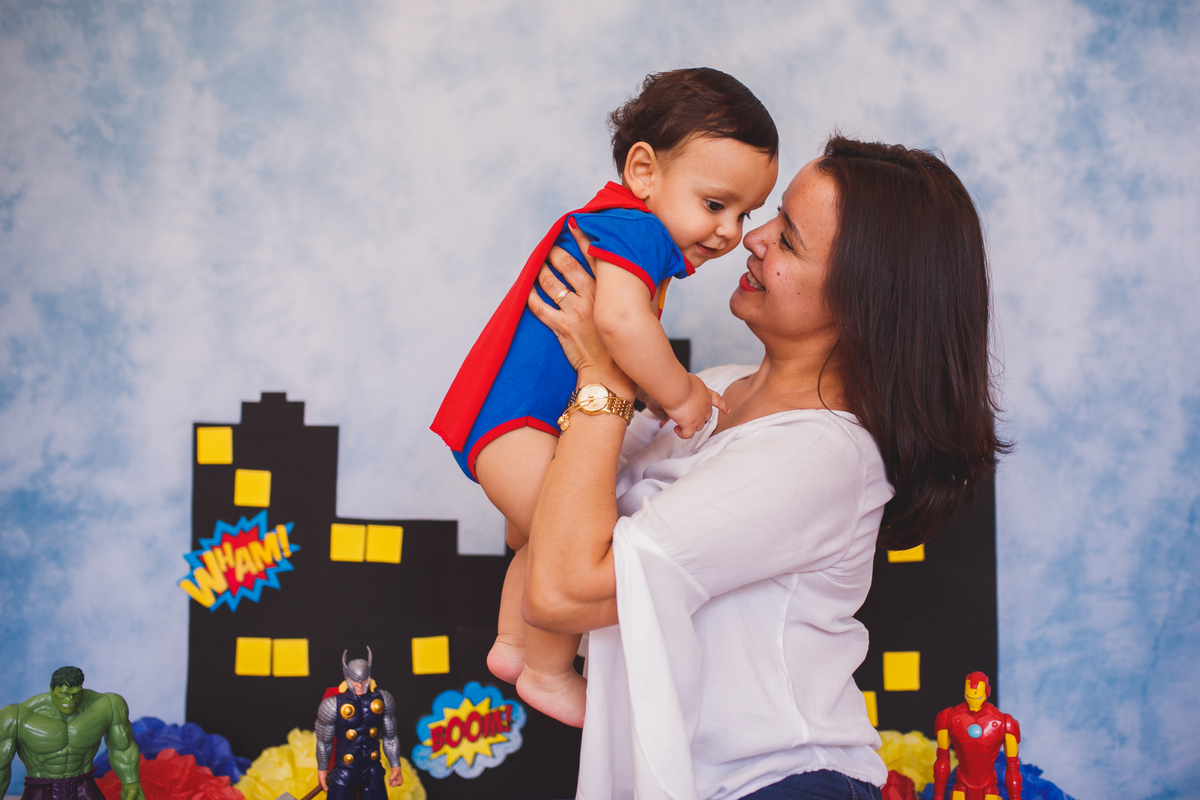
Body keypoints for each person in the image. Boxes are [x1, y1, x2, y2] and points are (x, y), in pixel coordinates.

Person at [520, 135, 1006, 799]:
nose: (755, 237)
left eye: (792, 239)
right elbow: (543, 526)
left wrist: (600, 374)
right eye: (775, 214)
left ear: (860, 303)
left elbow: (560, 590)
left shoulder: (820, 455)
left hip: (783, 783)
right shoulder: (711, 391)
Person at [431, 68, 779, 726]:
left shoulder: (623, 228)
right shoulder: (634, 230)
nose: (731, 232)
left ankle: (511, 645)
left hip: (522, 426)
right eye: (715, 205)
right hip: (520, 425)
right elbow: (620, 324)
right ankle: (547, 669)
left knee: (545, 535)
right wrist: (682, 396)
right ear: (644, 171)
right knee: (579, 539)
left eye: (746, 213)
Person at [0, 666, 144, 800]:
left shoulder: (108, 706)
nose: (70, 700)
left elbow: (123, 748)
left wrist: (130, 782)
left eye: (76, 694)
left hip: (84, 785)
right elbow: (1, 764)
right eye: (64, 694)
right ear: (52, 689)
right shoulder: (17, 717)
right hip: (40, 787)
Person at [314, 649, 403, 799]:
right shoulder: (332, 704)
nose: (360, 685)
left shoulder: (383, 699)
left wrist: (395, 765)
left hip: (372, 768)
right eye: (355, 681)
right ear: (347, 676)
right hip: (344, 769)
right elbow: (324, 742)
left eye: (363, 680)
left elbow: (391, 737)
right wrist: (322, 769)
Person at [933, 672, 1022, 800]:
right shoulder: (949, 717)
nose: (974, 695)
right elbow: (942, 760)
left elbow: (1013, 767)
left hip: (989, 788)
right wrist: (938, 796)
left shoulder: (1004, 723)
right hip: (961, 786)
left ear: (987, 691)